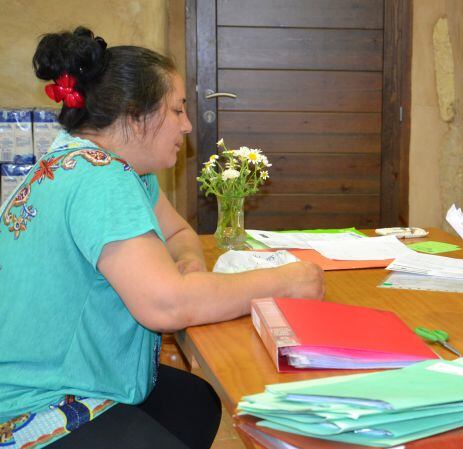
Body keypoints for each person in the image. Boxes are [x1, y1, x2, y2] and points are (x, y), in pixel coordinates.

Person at [0, 27, 324, 449]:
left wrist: (189, 267)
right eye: (177, 110)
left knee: (197, 403)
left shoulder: (99, 163)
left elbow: (177, 232)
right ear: (136, 116)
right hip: (39, 405)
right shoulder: (100, 177)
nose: (188, 125)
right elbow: (165, 305)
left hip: (70, 376)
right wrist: (288, 280)